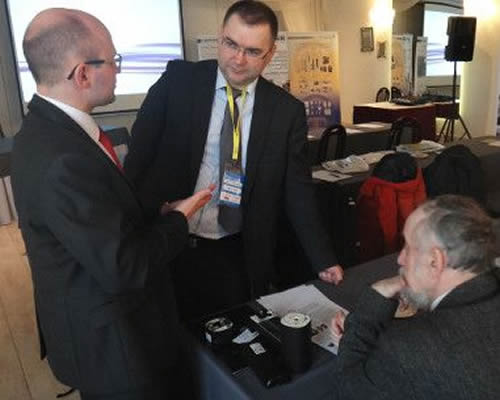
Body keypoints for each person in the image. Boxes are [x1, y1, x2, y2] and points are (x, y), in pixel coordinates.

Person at [11, 8, 213, 400]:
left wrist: (155, 213)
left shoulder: (44, 130)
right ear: (82, 74)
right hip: (116, 350)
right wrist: (181, 218)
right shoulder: (63, 158)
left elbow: (94, 220)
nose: (119, 70)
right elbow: (126, 266)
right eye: (113, 60)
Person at [124, 0, 343, 320]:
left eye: (252, 51)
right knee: (168, 333)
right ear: (220, 36)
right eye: (231, 44)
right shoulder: (178, 82)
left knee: (232, 332)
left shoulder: (286, 112)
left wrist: (323, 258)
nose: (238, 59)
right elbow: (138, 159)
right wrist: (135, 224)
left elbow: (298, 191)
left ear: (270, 54)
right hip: (168, 239)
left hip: (236, 250)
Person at [332, 195, 500, 399]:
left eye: (408, 247)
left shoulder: (410, 347)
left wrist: (370, 308)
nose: (400, 258)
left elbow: (350, 389)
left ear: (434, 261)